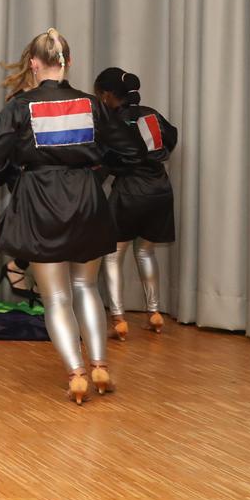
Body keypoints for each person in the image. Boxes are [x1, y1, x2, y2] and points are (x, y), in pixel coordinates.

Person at [0, 30, 144, 403]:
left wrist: (18, 181)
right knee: (87, 287)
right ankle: (100, 366)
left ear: (34, 63)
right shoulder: (92, 104)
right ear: (68, 62)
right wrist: (94, 174)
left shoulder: (20, 106)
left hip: (40, 200)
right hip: (86, 200)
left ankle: (76, 374)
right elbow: (132, 151)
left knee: (56, 296)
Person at [94, 67, 179, 337]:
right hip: (160, 189)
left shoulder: (112, 121)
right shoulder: (152, 114)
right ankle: (154, 313)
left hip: (129, 192)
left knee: (112, 255)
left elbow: (105, 159)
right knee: (145, 252)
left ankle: (118, 319)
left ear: (107, 95)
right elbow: (171, 138)